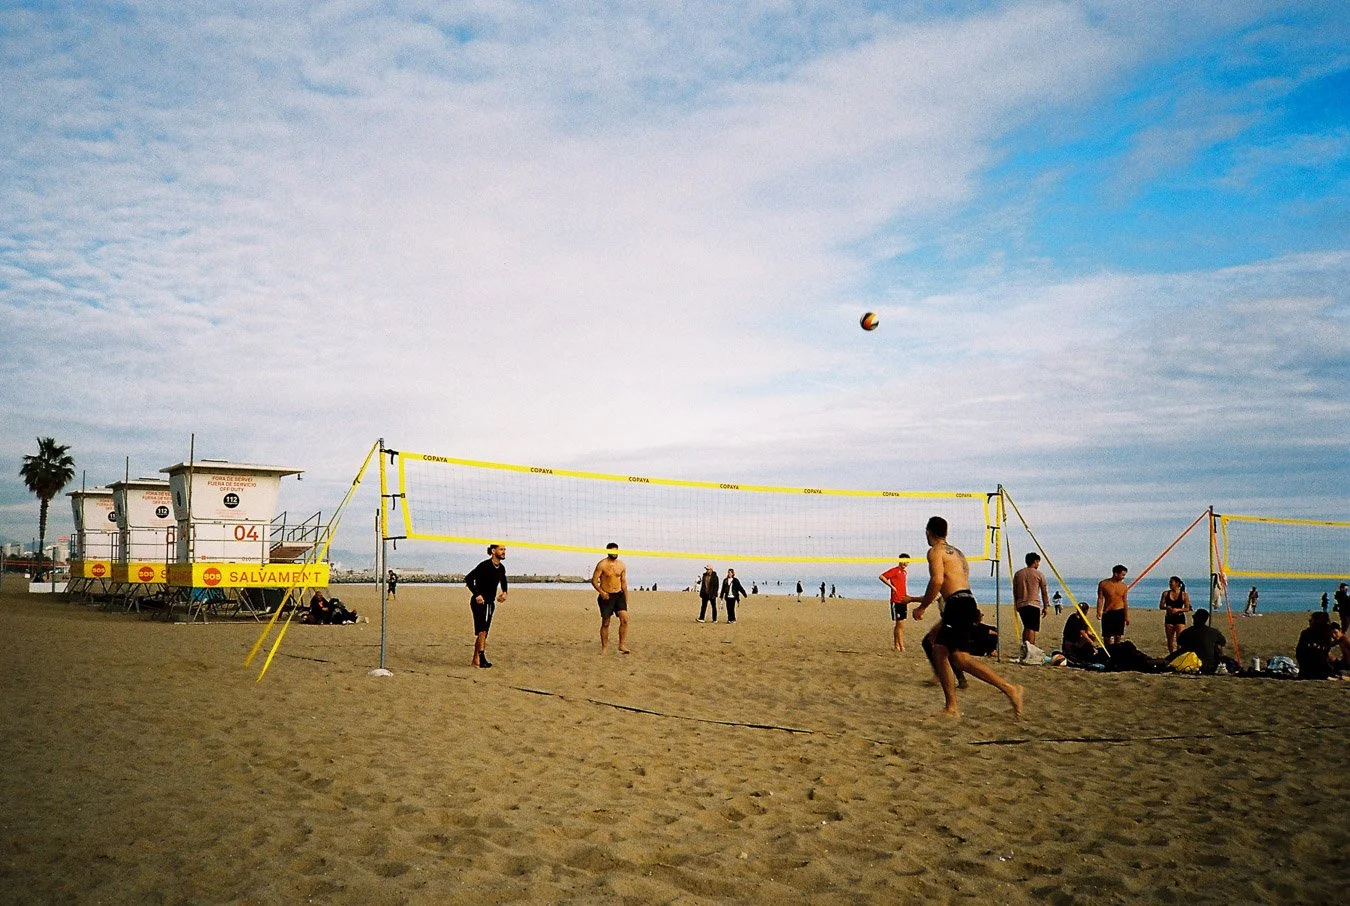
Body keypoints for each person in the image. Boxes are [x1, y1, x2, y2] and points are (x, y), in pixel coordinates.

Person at [906, 516, 1022, 719]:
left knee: (958, 658)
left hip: (958, 605)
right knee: (943, 652)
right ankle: (953, 706)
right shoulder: (958, 553)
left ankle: (1008, 689)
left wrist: (922, 607)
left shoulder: (935, 551)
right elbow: (959, 582)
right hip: (966, 602)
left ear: (928, 532)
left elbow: (937, 581)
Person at [465, 544, 508, 668]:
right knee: (482, 631)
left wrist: (504, 592)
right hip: (479, 602)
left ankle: (475, 660)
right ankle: (482, 658)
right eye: (501, 549)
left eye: (504, 550)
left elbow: (503, 580)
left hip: (490, 603)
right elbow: (468, 579)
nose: (504, 552)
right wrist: (477, 594)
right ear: (493, 551)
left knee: (483, 633)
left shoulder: (501, 568)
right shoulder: (484, 566)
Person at [591, 542, 630, 654]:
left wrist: (626, 598)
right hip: (606, 596)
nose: (614, 553)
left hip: (619, 595)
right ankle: (605, 648)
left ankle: (621, 645)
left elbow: (623, 582)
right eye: (612, 551)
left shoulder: (621, 565)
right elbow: (594, 581)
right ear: (608, 551)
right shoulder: (602, 564)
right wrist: (601, 592)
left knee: (624, 619)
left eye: (616, 551)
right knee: (606, 623)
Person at [1012, 552, 1050, 652]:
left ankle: (1025, 648)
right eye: (1038, 562)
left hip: (1021, 604)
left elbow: (1015, 591)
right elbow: (1044, 592)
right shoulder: (1038, 574)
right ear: (1035, 561)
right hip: (1033, 603)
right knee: (1032, 628)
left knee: (1026, 627)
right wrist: (1046, 606)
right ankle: (1031, 650)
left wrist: (1016, 604)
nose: (1038, 564)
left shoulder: (1018, 574)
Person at [1173, 609, 1226, 674]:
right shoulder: (1213, 632)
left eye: (1194, 617)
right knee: (1217, 645)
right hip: (1209, 663)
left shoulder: (1187, 632)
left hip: (1191, 661)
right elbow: (1223, 642)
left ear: (1196, 619)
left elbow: (1179, 642)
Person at [878, 554, 911, 651]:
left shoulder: (904, 572)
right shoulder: (895, 570)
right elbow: (882, 576)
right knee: (899, 624)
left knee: (900, 624)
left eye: (907, 561)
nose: (905, 563)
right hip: (896, 600)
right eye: (904, 561)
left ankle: (897, 645)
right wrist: (891, 586)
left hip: (903, 600)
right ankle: (901, 646)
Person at [1296, 611, 1337, 680]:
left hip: (1316, 666)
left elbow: (1325, 650)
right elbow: (1300, 652)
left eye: (1311, 620)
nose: (1309, 621)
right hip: (1311, 666)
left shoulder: (1325, 633)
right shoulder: (1307, 633)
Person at [1096, 565, 1130, 645]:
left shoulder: (1123, 586)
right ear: (1116, 574)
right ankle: (1108, 652)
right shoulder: (1103, 584)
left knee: (1118, 635)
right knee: (1107, 635)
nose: (1123, 577)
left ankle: (1116, 652)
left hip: (1119, 611)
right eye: (1122, 575)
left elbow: (1125, 601)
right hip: (1108, 612)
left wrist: (1127, 616)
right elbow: (1100, 598)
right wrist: (1098, 611)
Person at [1159, 576, 1192, 654]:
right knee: (1170, 640)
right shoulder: (1166, 593)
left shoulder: (1184, 594)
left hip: (1179, 618)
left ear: (1177, 584)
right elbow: (1161, 606)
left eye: (1171, 582)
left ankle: (1179, 655)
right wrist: (1167, 607)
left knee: (1180, 639)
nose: (1170, 584)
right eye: (1169, 582)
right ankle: (1171, 655)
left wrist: (1178, 610)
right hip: (1169, 618)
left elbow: (1187, 608)